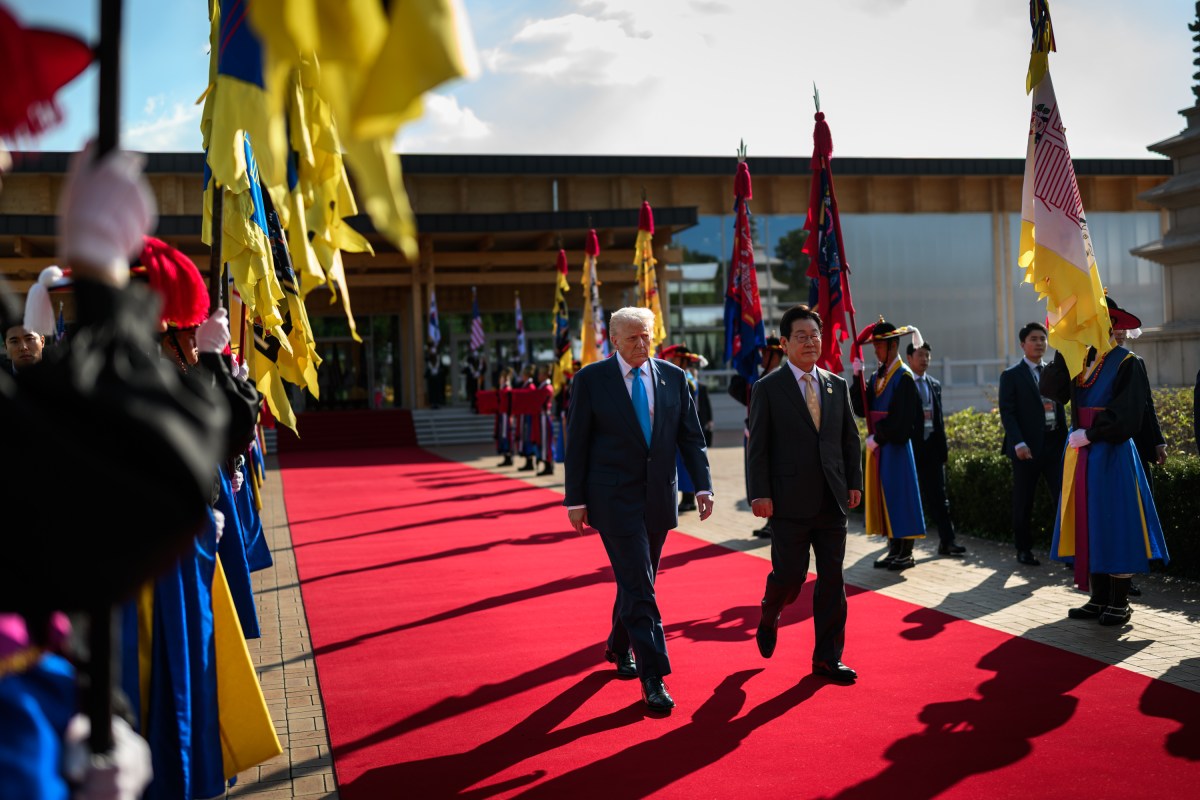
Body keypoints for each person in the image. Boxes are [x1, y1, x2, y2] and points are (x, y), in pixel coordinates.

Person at [564, 306, 713, 712]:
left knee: (638, 579)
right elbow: (576, 443)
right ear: (614, 339)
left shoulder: (674, 377)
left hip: (658, 497)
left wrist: (703, 486)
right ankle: (653, 676)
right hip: (612, 500)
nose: (642, 343)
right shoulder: (591, 380)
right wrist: (574, 500)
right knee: (640, 584)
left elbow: (691, 438)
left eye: (647, 335)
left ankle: (617, 644)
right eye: (633, 338)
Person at [748, 304, 863, 682]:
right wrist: (759, 494)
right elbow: (759, 447)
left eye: (815, 335)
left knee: (833, 578)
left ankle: (827, 658)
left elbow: (848, 437)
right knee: (790, 576)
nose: (811, 342)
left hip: (831, 499)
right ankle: (770, 609)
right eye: (801, 336)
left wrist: (854, 482)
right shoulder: (767, 388)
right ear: (784, 343)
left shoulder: (836, 384)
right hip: (788, 502)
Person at [1039, 295, 1170, 625]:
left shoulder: (1128, 363)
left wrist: (1093, 434)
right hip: (1083, 454)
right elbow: (1052, 389)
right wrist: (1063, 344)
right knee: (1091, 521)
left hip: (1111, 453)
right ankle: (1097, 598)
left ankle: (1119, 601)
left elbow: (1129, 416)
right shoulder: (1081, 361)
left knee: (1116, 522)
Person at [851, 318, 925, 571]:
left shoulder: (903, 377)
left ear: (893, 345)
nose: (876, 351)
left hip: (895, 447)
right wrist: (856, 376)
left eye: (880, 346)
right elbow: (862, 408)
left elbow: (904, 420)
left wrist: (879, 436)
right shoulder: (877, 376)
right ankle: (894, 548)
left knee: (900, 497)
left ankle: (906, 551)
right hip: (880, 447)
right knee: (886, 499)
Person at [998, 322, 1067, 567]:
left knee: (1062, 499)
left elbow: (1060, 408)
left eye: (1042, 339)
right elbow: (1008, 413)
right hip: (1026, 449)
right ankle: (1024, 550)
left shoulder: (1054, 372)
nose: (1039, 343)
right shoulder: (1011, 375)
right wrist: (1018, 443)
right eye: (1034, 339)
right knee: (1024, 501)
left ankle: (1067, 551)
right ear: (1022, 344)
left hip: (1054, 445)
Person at [906, 341, 965, 556]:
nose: (924, 360)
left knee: (940, 497)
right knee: (912, 498)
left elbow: (938, 419)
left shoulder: (934, 384)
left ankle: (947, 541)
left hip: (932, 448)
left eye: (927, 356)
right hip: (911, 449)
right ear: (909, 358)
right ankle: (904, 547)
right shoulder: (903, 383)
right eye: (920, 355)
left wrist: (943, 450)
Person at [730, 334, 785, 538]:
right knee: (759, 478)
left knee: (771, 479)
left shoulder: (779, 379)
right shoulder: (760, 378)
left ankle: (775, 521)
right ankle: (770, 521)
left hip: (771, 438)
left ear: (774, 355)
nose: (760, 357)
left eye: (764, 353)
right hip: (755, 434)